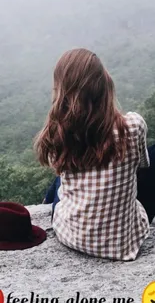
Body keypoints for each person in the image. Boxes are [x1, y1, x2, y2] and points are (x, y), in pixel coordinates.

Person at [34, 48, 154, 261]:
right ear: (105, 85)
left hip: (71, 235)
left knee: (59, 179)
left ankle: (47, 199)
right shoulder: (133, 126)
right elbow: (142, 166)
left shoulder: (58, 134)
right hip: (123, 244)